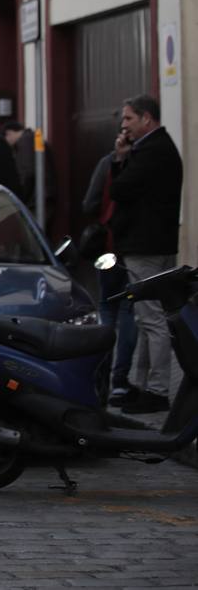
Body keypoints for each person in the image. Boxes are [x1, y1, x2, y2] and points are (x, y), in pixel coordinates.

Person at [108, 94, 183, 414]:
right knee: (145, 317)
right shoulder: (155, 149)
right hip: (153, 244)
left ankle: (156, 390)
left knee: (152, 320)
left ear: (146, 119)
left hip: (147, 246)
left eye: (128, 118)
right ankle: (140, 387)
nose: (123, 125)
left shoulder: (153, 151)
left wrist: (120, 158)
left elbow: (120, 189)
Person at [81, 135, 135, 404]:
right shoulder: (144, 163)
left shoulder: (108, 163)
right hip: (135, 247)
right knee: (128, 310)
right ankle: (120, 382)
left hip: (110, 247)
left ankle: (102, 377)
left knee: (107, 307)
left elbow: (89, 204)